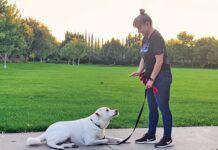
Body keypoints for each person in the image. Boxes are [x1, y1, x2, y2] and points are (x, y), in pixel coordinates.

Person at [129, 9, 173, 148]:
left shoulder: (156, 37)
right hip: (150, 76)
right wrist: (139, 71)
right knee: (152, 108)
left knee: (163, 108)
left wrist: (152, 79)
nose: (139, 31)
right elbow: (144, 57)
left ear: (147, 24)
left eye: (140, 28)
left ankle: (167, 138)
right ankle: (151, 135)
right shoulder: (145, 38)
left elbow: (159, 61)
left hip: (162, 77)